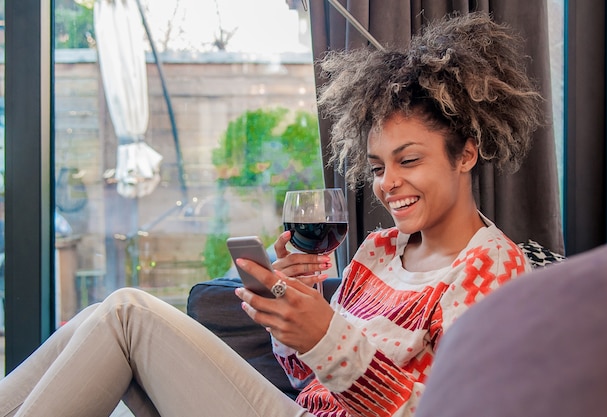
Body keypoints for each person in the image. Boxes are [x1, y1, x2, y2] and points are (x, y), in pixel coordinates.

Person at [0, 12, 543, 417]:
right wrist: (290, 323)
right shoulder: (378, 250)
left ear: (466, 153)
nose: (387, 183)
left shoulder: (495, 272)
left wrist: (327, 334)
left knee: (125, 314)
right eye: (377, 166)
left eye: (409, 160)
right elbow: (307, 374)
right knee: (110, 316)